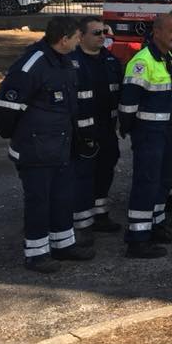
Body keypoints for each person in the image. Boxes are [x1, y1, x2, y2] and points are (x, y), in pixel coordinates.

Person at [0, 16, 94, 272]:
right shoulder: (32, 64)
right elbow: (6, 107)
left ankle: (63, 246)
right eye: (76, 37)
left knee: (62, 197)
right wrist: (24, 138)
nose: (79, 40)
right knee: (39, 201)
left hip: (61, 146)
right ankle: (37, 254)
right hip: (36, 150)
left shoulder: (64, 61)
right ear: (64, 40)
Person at [118, 12, 172, 258]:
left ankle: (156, 225)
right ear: (157, 32)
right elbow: (128, 105)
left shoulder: (168, 57)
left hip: (166, 130)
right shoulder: (143, 61)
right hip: (149, 133)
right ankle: (138, 238)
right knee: (146, 183)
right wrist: (130, 129)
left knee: (163, 181)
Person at [70, 16, 123, 240]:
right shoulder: (71, 63)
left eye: (104, 32)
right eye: (97, 33)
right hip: (81, 132)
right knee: (83, 176)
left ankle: (100, 214)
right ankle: (82, 224)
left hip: (106, 129)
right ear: (81, 36)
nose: (103, 37)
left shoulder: (110, 61)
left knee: (105, 170)